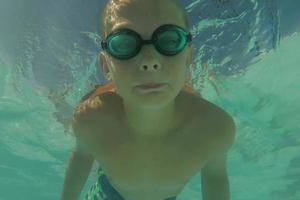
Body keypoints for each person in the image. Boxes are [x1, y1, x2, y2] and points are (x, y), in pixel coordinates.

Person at [60, 0, 236, 199]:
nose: (150, 61)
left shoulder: (214, 129)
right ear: (106, 67)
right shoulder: (90, 119)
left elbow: (215, 178)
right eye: (124, 44)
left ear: (188, 58)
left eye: (169, 40)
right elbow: (81, 158)